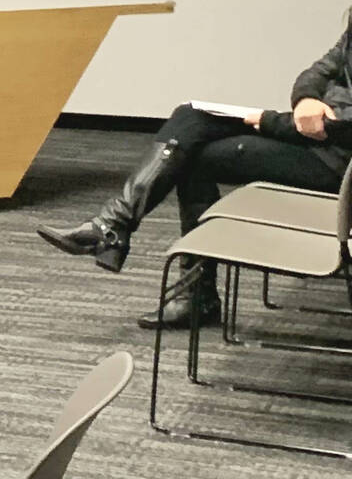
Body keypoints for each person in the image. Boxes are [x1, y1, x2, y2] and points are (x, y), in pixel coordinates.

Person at [38, 21, 352, 328]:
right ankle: (116, 226)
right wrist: (307, 100)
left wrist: (270, 121)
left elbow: (343, 126)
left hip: (337, 166)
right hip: (313, 141)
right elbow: (317, 72)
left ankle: (186, 288)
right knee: (190, 117)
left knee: (192, 157)